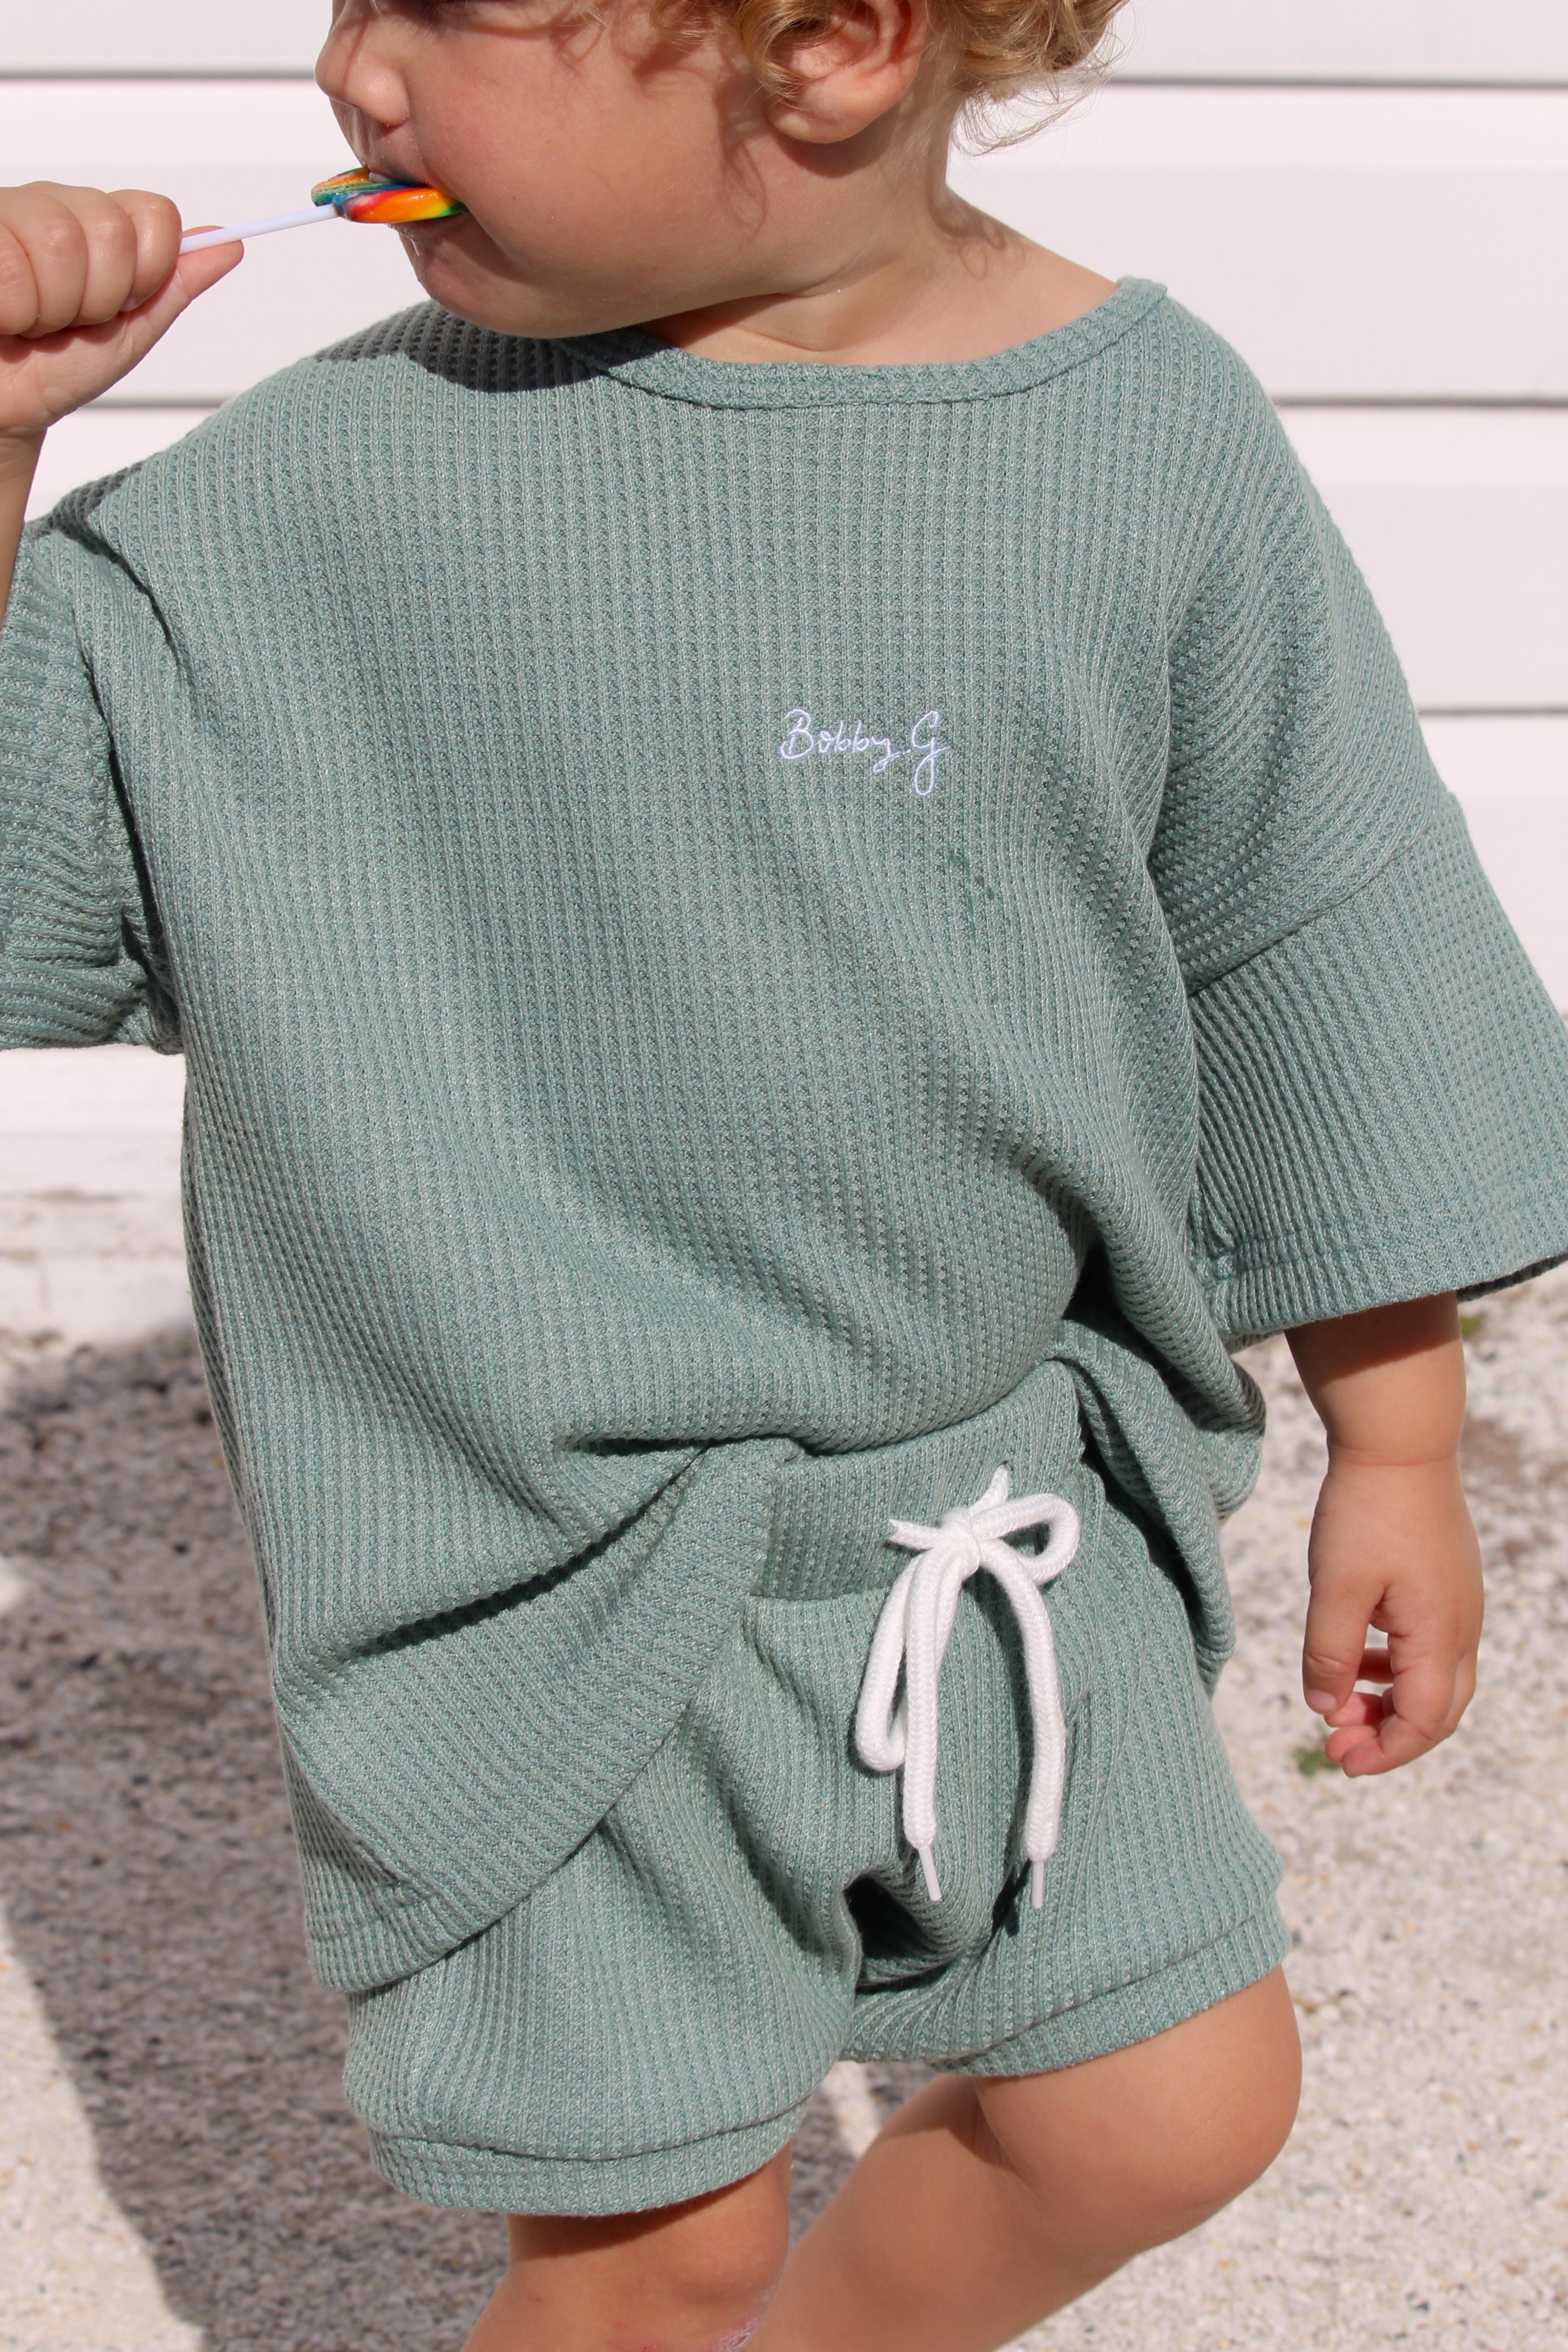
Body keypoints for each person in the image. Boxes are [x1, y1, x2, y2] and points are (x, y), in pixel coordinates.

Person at [2, 1, 1565, 2346]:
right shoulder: (308, 508)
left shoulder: (1140, 442)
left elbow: (1316, 939)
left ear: (832, 47)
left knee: (1168, 2098)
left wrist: (1403, 1436)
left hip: (1001, 1520)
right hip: (539, 1572)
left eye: (442, 7)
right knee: (657, 2243)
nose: (350, 74)